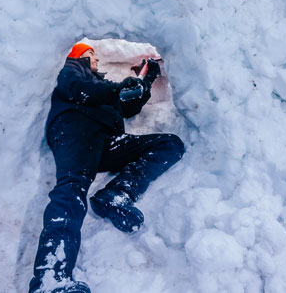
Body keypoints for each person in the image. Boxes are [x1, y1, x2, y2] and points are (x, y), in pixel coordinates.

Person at [28, 43, 185, 293]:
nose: (97, 61)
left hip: (106, 141)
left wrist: (147, 77)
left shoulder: (102, 87)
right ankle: (50, 280)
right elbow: (77, 90)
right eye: (92, 55)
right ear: (77, 54)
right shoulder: (71, 69)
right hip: (75, 131)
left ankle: (115, 195)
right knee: (71, 189)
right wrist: (115, 88)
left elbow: (128, 107)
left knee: (170, 144)